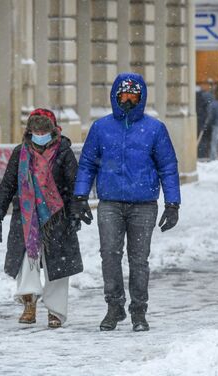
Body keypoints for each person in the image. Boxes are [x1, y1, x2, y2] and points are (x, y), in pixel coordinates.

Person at [72, 72, 181, 332]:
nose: (128, 100)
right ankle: (114, 306)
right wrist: (80, 197)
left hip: (144, 204)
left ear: (141, 97)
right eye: (124, 95)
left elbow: (168, 167)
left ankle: (139, 311)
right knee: (109, 255)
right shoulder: (101, 128)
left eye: (134, 95)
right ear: (115, 96)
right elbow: (87, 164)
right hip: (109, 203)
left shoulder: (155, 129)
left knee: (139, 259)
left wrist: (173, 203)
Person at [0, 108, 83, 329]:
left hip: (57, 218)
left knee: (57, 266)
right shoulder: (20, 153)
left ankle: (55, 312)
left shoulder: (64, 152)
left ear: (52, 131)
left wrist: (75, 212)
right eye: (35, 129)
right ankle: (29, 303)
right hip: (26, 217)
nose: (39, 133)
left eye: (43, 129)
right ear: (29, 130)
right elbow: (7, 185)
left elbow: (74, 185)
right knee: (26, 261)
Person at [203, 91, 218, 162]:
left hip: (217, 126)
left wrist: (205, 124)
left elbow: (210, 116)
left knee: (214, 143)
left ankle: (212, 159)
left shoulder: (211, 105)